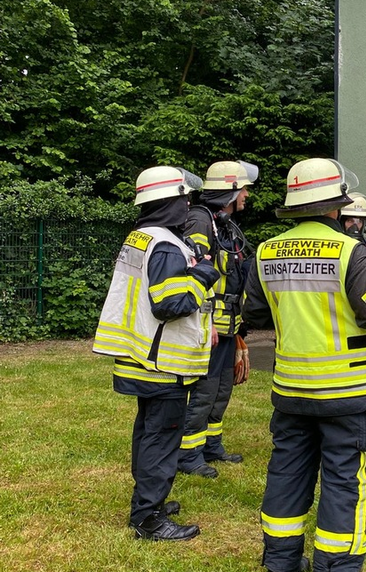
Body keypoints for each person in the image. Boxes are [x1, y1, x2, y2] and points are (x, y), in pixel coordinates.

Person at [241, 158, 366, 572]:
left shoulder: (266, 252)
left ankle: (280, 562)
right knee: (346, 482)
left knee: (287, 475)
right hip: (350, 394)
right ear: (337, 206)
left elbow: (254, 314)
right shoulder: (352, 252)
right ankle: (335, 566)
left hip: (291, 391)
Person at [93, 165, 220, 541]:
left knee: (147, 434)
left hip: (139, 355)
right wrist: (202, 276)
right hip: (161, 363)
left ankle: (148, 502)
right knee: (162, 439)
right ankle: (148, 518)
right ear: (169, 201)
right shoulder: (165, 244)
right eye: (184, 198)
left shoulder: (141, 236)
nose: (188, 205)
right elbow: (170, 304)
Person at [178, 160, 258, 479]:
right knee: (204, 390)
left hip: (228, 324)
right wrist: (206, 320)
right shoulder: (200, 221)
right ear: (230, 190)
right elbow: (194, 269)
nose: (247, 195)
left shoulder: (223, 223)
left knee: (222, 387)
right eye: (243, 188)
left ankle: (212, 444)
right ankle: (188, 453)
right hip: (208, 325)